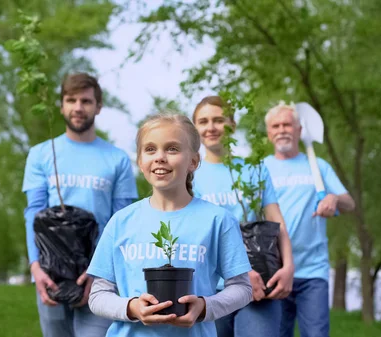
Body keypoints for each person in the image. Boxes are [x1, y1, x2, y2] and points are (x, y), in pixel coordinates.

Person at [86, 112, 253, 337]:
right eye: (150, 149)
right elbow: (98, 295)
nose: (160, 157)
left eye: (172, 149)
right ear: (140, 161)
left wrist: (204, 307)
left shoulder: (218, 220)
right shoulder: (120, 222)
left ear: (193, 161)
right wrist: (132, 307)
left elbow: (242, 288)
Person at [22, 72, 138, 337]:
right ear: (60, 105)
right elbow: (34, 213)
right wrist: (35, 267)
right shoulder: (41, 154)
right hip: (50, 273)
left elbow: (120, 221)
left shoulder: (117, 159)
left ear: (98, 106)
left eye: (85, 101)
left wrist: (99, 272)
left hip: (99, 275)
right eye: (70, 100)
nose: (77, 107)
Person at [191, 96, 295, 337]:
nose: (211, 127)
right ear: (195, 129)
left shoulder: (255, 169)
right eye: (203, 121)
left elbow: (277, 223)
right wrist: (239, 271)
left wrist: (289, 267)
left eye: (219, 120)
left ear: (232, 124)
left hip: (258, 287)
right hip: (209, 291)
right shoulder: (190, 175)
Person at [263, 101, 355, 337]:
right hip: (275, 270)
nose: (282, 129)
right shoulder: (261, 169)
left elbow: (350, 203)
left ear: (299, 130)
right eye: (276, 126)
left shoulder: (318, 166)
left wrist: (334, 199)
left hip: (313, 272)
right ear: (269, 133)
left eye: (287, 124)